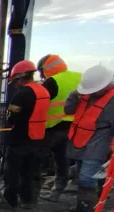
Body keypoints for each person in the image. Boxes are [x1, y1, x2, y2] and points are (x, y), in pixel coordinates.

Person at [64, 64, 114, 212]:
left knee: (87, 177)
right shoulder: (85, 95)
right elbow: (68, 110)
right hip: (79, 142)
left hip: (98, 144)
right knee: (82, 175)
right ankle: (87, 205)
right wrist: (74, 95)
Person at [0, 60, 50, 210]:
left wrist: (7, 115)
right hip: (37, 137)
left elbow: (11, 117)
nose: (15, 84)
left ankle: (10, 201)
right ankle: (27, 200)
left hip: (19, 138)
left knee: (12, 172)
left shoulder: (22, 94)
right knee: (29, 171)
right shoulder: (43, 91)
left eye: (15, 81)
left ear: (20, 77)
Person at [37, 54, 82, 200]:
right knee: (63, 161)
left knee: (38, 161)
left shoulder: (52, 81)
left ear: (45, 69)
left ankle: (31, 195)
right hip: (76, 127)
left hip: (53, 128)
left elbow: (38, 105)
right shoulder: (79, 77)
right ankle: (57, 192)